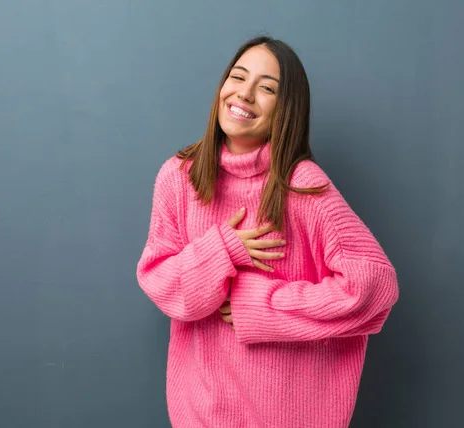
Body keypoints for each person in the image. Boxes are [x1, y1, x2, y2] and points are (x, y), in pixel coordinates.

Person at [136, 36, 399, 428]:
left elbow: (374, 287)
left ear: (285, 110)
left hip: (287, 415)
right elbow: (161, 283)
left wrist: (261, 306)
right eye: (238, 77)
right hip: (200, 411)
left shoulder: (302, 185)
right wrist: (221, 250)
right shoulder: (179, 177)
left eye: (267, 88)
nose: (244, 94)